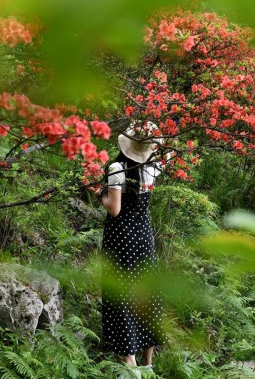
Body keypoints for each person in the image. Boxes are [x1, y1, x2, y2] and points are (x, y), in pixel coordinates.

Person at [100, 121, 164, 375]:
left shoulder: (116, 168)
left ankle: (130, 364)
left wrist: (101, 194)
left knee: (121, 294)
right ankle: (148, 365)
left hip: (121, 238)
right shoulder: (153, 167)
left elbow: (114, 209)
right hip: (143, 235)